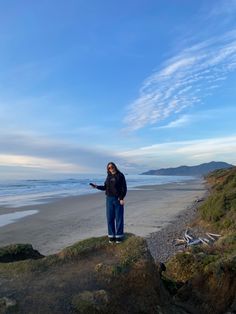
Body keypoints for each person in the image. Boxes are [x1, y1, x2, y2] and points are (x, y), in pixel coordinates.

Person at [90, 162, 127, 244]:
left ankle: (119, 236)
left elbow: (124, 188)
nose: (111, 169)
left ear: (115, 167)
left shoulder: (120, 175)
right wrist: (96, 187)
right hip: (109, 199)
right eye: (109, 168)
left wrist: (121, 198)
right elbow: (105, 188)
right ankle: (111, 236)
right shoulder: (108, 176)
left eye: (112, 167)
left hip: (117, 199)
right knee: (110, 218)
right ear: (108, 169)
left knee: (119, 218)